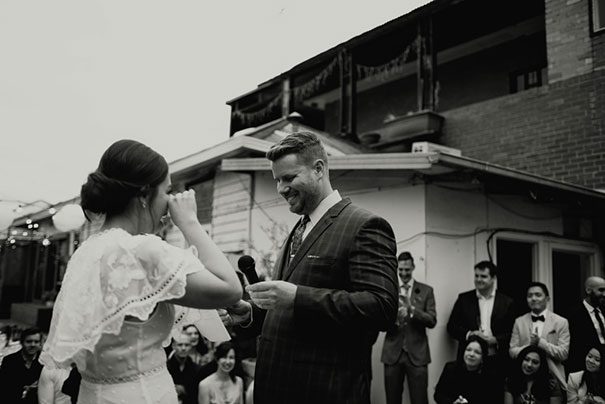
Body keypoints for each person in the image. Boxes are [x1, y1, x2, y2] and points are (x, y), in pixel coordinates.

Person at [39, 139, 242, 404]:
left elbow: (130, 318)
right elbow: (230, 289)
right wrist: (190, 222)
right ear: (145, 195)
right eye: (167, 191)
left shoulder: (86, 252)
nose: (170, 201)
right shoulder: (142, 250)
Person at [222, 132, 398, 404]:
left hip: (325, 391)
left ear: (318, 169)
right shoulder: (299, 229)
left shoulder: (365, 226)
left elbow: (382, 308)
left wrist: (297, 297)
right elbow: (288, 314)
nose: (281, 189)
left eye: (289, 178)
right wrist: (250, 315)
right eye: (277, 180)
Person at [446, 260, 515, 401]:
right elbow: (451, 327)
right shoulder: (464, 299)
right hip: (470, 360)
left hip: (495, 359)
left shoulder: (507, 302)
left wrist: (495, 340)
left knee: (493, 397)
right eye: (476, 276)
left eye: (483, 276)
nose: (478, 279)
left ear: (493, 278)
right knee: (468, 395)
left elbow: (513, 332)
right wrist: (470, 334)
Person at [381, 251, 436, 404]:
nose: (404, 273)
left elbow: (432, 320)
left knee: (420, 400)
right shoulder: (389, 290)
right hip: (392, 354)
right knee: (392, 400)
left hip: (418, 354)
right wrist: (394, 319)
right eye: (401, 270)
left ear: (413, 267)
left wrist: (412, 310)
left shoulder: (426, 290)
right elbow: (380, 321)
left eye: (407, 269)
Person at [509, 282, 569, 391]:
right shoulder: (519, 321)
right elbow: (512, 351)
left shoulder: (561, 322)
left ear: (547, 299)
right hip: (524, 379)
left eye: (538, 295)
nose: (533, 298)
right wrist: (529, 347)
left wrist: (541, 343)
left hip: (553, 379)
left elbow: (563, 354)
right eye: (530, 295)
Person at [434, 335, 498, 404]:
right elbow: (438, 395)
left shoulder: (489, 376)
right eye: (468, 350)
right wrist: (453, 402)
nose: (471, 354)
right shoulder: (451, 368)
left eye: (477, 352)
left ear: (482, 358)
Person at [569, 277, 605, 372]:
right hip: (586, 368)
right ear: (588, 290)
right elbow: (574, 347)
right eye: (601, 290)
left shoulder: (603, 310)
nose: (604, 294)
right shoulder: (574, 314)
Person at [0, 326, 43, 403]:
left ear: (40, 343)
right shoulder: (9, 361)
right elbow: (4, 388)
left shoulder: (44, 362)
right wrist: (25, 389)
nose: (33, 345)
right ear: (22, 342)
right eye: (29, 341)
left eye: (36, 342)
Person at [167, 332, 203, 404]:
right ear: (173, 346)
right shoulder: (165, 368)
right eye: (180, 345)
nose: (183, 348)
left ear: (191, 346)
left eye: (187, 345)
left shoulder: (197, 369)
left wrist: (185, 390)